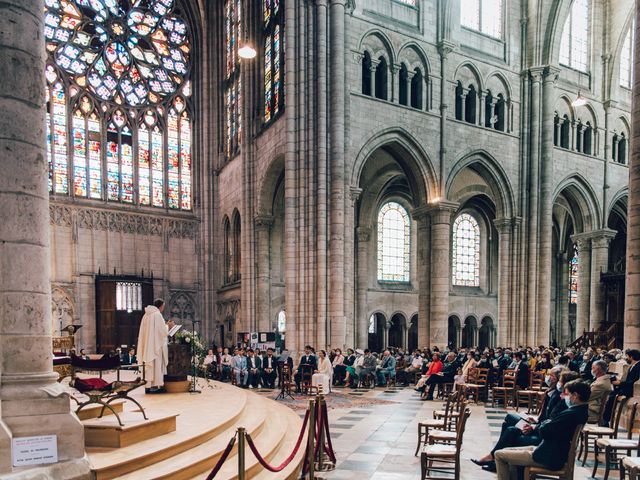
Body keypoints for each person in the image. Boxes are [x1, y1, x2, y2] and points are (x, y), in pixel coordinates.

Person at [493, 380, 590, 479]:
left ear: (575, 395)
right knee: (506, 450)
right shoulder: (582, 411)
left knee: (499, 455)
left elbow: (545, 431)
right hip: (552, 451)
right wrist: (545, 424)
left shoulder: (570, 414)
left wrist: (544, 424)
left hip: (548, 456)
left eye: (567, 394)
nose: (565, 397)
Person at [137, 299, 169, 393]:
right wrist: (168, 326)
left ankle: (148, 386)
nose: (163, 308)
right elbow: (162, 331)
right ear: (160, 306)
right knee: (156, 365)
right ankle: (155, 387)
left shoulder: (146, 315)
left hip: (148, 345)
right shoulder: (157, 315)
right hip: (155, 345)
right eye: (163, 306)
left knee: (149, 365)